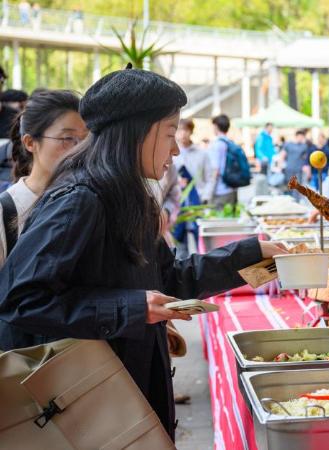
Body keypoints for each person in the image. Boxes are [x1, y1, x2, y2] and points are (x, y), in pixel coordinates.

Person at [0, 68, 286, 440]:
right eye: (169, 133)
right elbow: (21, 300)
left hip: (128, 389)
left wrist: (251, 257)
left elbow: (169, 278)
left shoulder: (127, 197)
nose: (176, 148)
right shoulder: (80, 199)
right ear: (136, 132)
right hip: (91, 408)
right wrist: (130, 308)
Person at [0, 90, 86, 265]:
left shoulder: (87, 205)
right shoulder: (6, 212)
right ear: (30, 143)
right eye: (68, 138)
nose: (79, 150)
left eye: (85, 140)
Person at [174, 118, 215, 204]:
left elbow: (210, 178)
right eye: (179, 130)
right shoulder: (171, 154)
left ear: (191, 131)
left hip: (198, 200)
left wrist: (205, 197)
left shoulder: (202, 154)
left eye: (186, 130)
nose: (183, 133)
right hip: (177, 202)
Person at [208, 114, 239, 210]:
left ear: (216, 126)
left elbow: (215, 170)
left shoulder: (216, 145)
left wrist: (209, 192)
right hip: (233, 189)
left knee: (219, 221)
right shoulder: (231, 143)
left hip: (220, 191)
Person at [277, 129, 311, 197]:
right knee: (288, 188)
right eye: (300, 136)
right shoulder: (288, 144)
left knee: (297, 189)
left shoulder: (304, 146)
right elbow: (282, 155)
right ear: (296, 136)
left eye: (302, 137)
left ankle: (296, 202)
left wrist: (308, 171)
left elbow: (306, 160)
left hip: (298, 171)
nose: (301, 138)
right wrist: (279, 166)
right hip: (289, 169)